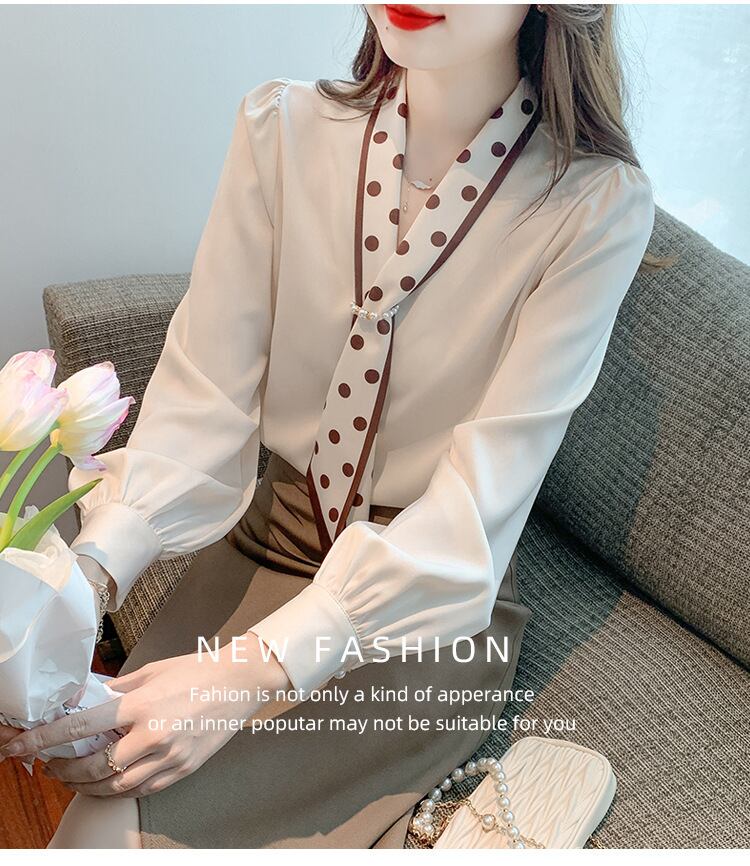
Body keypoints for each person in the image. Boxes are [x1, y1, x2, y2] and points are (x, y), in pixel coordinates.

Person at [1, 3, 663, 849]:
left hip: (420, 611)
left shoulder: (595, 206)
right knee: (105, 794)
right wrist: (83, 582)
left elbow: (474, 514)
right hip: (262, 550)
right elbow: (203, 400)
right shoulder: (280, 130)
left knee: (117, 821)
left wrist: (239, 679)